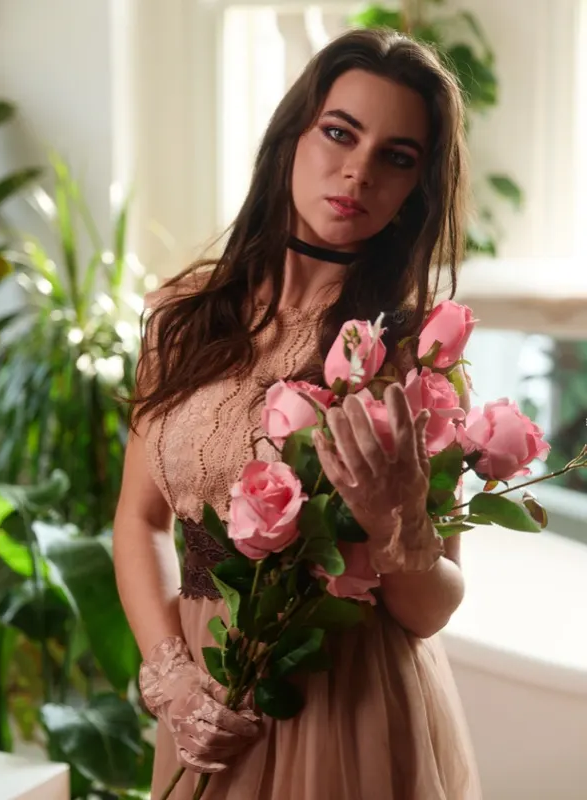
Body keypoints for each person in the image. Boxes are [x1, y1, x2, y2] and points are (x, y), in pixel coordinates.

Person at [113, 27, 482, 800]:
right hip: (205, 704)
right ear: (292, 136)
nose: (358, 171)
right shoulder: (182, 318)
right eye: (340, 133)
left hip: (349, 707)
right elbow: (140, 520)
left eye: (397, 156)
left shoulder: (411, 357)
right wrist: (170, 680)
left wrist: (396, 521)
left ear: (416, 189)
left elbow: (429, 609)